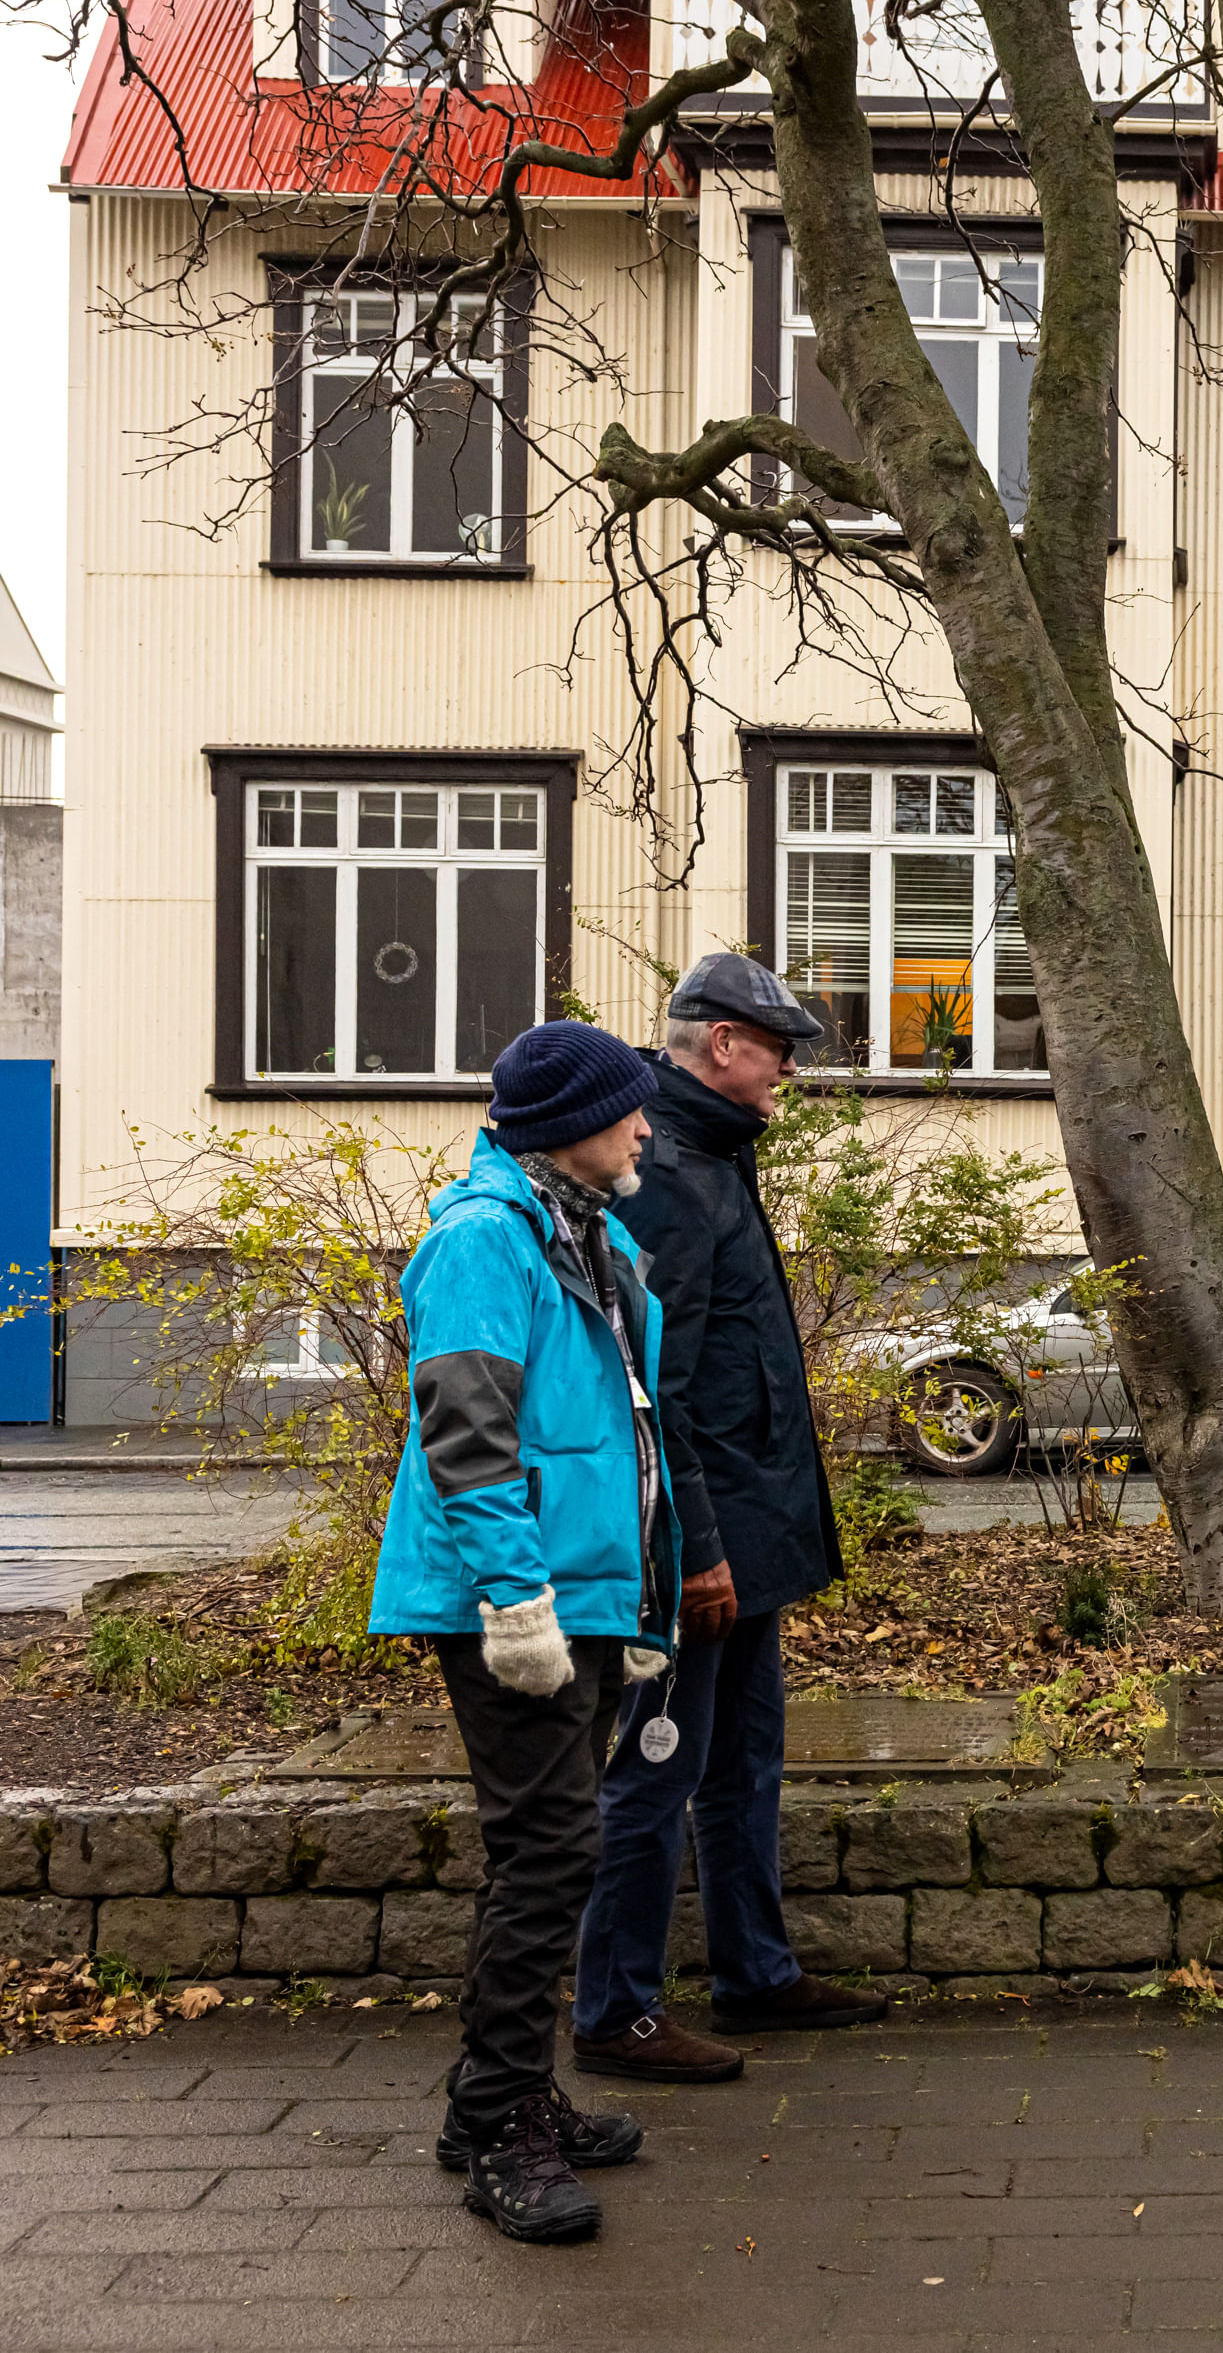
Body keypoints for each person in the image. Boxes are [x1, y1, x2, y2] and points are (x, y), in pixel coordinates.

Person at [369, 1019, 680, 2244]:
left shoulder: (584, 1235)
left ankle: (496, 2094)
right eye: (629, 1110)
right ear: (570, 1125)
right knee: (553, 1850)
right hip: (520, 1602)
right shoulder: (486, 1238)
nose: (646, 1126)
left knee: (545, 1850)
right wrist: (516, 1604)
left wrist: (635, 1592)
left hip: (582, 1590)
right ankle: (500, 2121)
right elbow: (468, 1431)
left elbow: (625, 1432)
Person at [574, 955, 887, 2080]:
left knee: (745, 1757)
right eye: (776, 1049)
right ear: (720, 1045)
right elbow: (665, 1389)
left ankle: (755, 1972)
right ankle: (614, 2010)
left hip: (750, 1538)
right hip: (698, 1547)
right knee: (659, 1764)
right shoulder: (667, 1170)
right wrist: (696, 1548)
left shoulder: (710, 1155)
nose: (787, 1071)